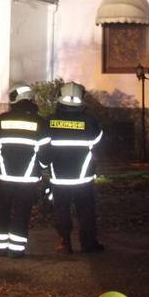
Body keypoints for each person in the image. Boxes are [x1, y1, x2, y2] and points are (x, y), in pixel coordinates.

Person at [0, 83, 50, 258]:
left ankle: (0, 247)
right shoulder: (40, 123)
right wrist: (41, 168)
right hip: (28, 181)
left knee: (2, 211)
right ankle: (16, 250)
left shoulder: (1, 121)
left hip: (4, 179)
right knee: (22, 212)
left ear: (15, 99)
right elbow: (45, 156)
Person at [47, 81, 104, 254]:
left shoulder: (50, 122)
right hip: (83, 179)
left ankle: (64, 243)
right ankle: (88, 244)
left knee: (61, 211)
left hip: (59, 178)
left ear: (59, 97)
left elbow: (43, 148)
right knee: (86, 211)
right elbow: (99, 147)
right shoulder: (90, 122)